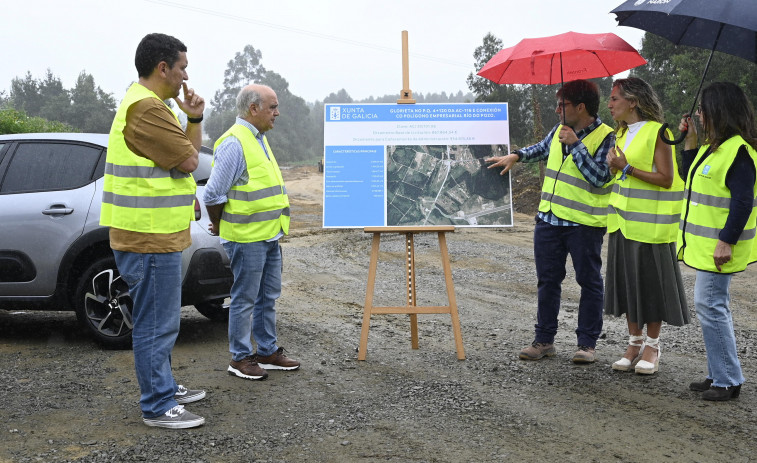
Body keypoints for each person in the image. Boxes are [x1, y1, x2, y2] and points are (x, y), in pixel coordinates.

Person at [100, 33, 206, 429]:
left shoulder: (155, 106)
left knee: (162, 319)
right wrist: (190, 138)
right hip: (147, 235)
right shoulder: (146, 109)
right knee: (156, 322)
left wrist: (193, 119)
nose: (185, 76)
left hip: (156, 232)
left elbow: (185, 156)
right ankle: (157, 404)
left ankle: (164, 385)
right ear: (162, 68)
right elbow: (190, 160)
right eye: (182, 67)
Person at [486, 79, 615, 363]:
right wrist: (517, 155)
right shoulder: (559, 130)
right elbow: (541, 149)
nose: (557, 110)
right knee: (547, 281)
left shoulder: (607, 136)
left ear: (580, 107)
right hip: (549, 221)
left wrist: (577, 145)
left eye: (562, 105)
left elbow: (600, 178)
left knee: (590, 282)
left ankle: (587, 345)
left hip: (584, 225)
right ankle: (544, 341)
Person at [203, 84, 300, 381]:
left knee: (268, 296)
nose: (277, 112)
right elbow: (212, 194)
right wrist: (219, 224)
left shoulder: (258, 138)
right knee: (245, 298)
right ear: (253, 109)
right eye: (272, 107)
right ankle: (240, 358)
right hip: (246, 238)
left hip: (268, 235)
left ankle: (267, 352)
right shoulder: (235, 142)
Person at [604, 77, 689, 375]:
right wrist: (614, 166)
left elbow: (666, 178)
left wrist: (625, 167)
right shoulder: (620, 134)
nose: (610, 104)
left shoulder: (658, 132)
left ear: (633, 101)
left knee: (651, 287)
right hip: (622, 226)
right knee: (629, 286)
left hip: (651, 228)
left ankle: (652, 346)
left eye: (615, 98)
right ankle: (633, 343)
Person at [678, 82, 757, 401]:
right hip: (707, 247)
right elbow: (690, 178)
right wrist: (691, 141)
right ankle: (718, 373)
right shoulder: (717, 147)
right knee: (711, 306)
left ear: (718, 111)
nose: (699, 113)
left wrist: (726, 241)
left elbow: (742, 201)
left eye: (702, 110)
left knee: (711, 305)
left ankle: (727, 380)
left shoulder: (738, 151)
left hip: (718, 249)